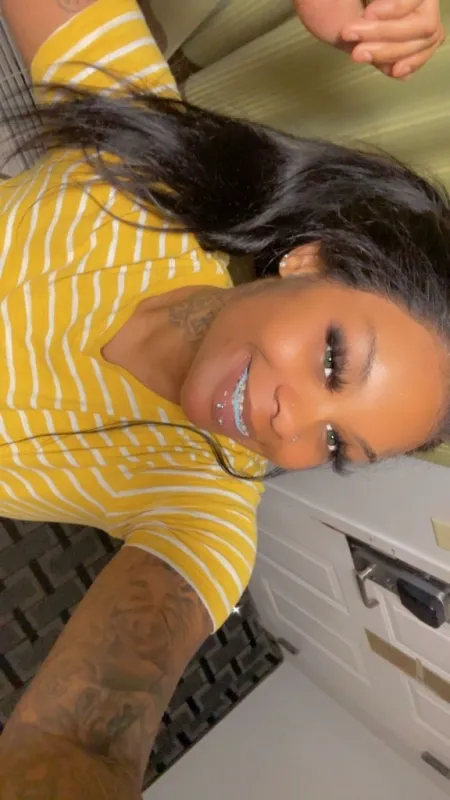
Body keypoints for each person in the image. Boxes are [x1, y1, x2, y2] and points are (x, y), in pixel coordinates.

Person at [0, 0, 448, 796]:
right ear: (308, 260)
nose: (290, 424)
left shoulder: (201, 513)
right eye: (333, 360)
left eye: (335, 445)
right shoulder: (146, 177)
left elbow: (78, 740)